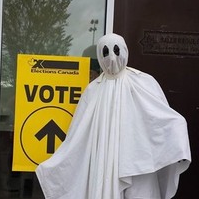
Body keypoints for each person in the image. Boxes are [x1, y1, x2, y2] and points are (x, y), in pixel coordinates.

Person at [36, 33, 191, 199]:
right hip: (103, 156)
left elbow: (158, 116)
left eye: (116, 50)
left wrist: (176, 127)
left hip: (138, 158)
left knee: (141, 193)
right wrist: (57, 163)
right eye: (105, 52)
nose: (111, 57)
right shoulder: (93, 90)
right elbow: (79, 133)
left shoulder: (144, 82)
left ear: (124, 50)